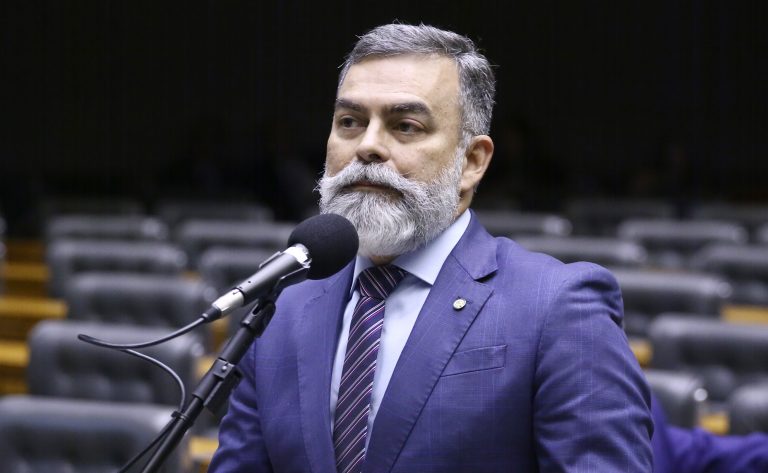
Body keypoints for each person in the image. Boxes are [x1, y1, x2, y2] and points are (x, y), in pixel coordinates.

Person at [209, 23, 653, 472]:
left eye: (405, 126)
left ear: (472, 162)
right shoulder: (283, 305)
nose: (367, 146)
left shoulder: (558, 308)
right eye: (350, 122)